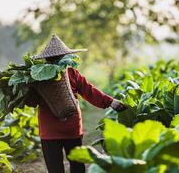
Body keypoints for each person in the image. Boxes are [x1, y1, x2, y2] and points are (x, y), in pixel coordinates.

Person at [24, 34, 127, 173]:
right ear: (64, 56)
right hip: (72, 128)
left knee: (55, 168)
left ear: (46, 58)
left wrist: (25, 88)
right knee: (77, 166)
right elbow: (89, 91)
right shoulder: (72, 73)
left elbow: (31, 102)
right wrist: (111, 102)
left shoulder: (37, 77)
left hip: (49, 131)